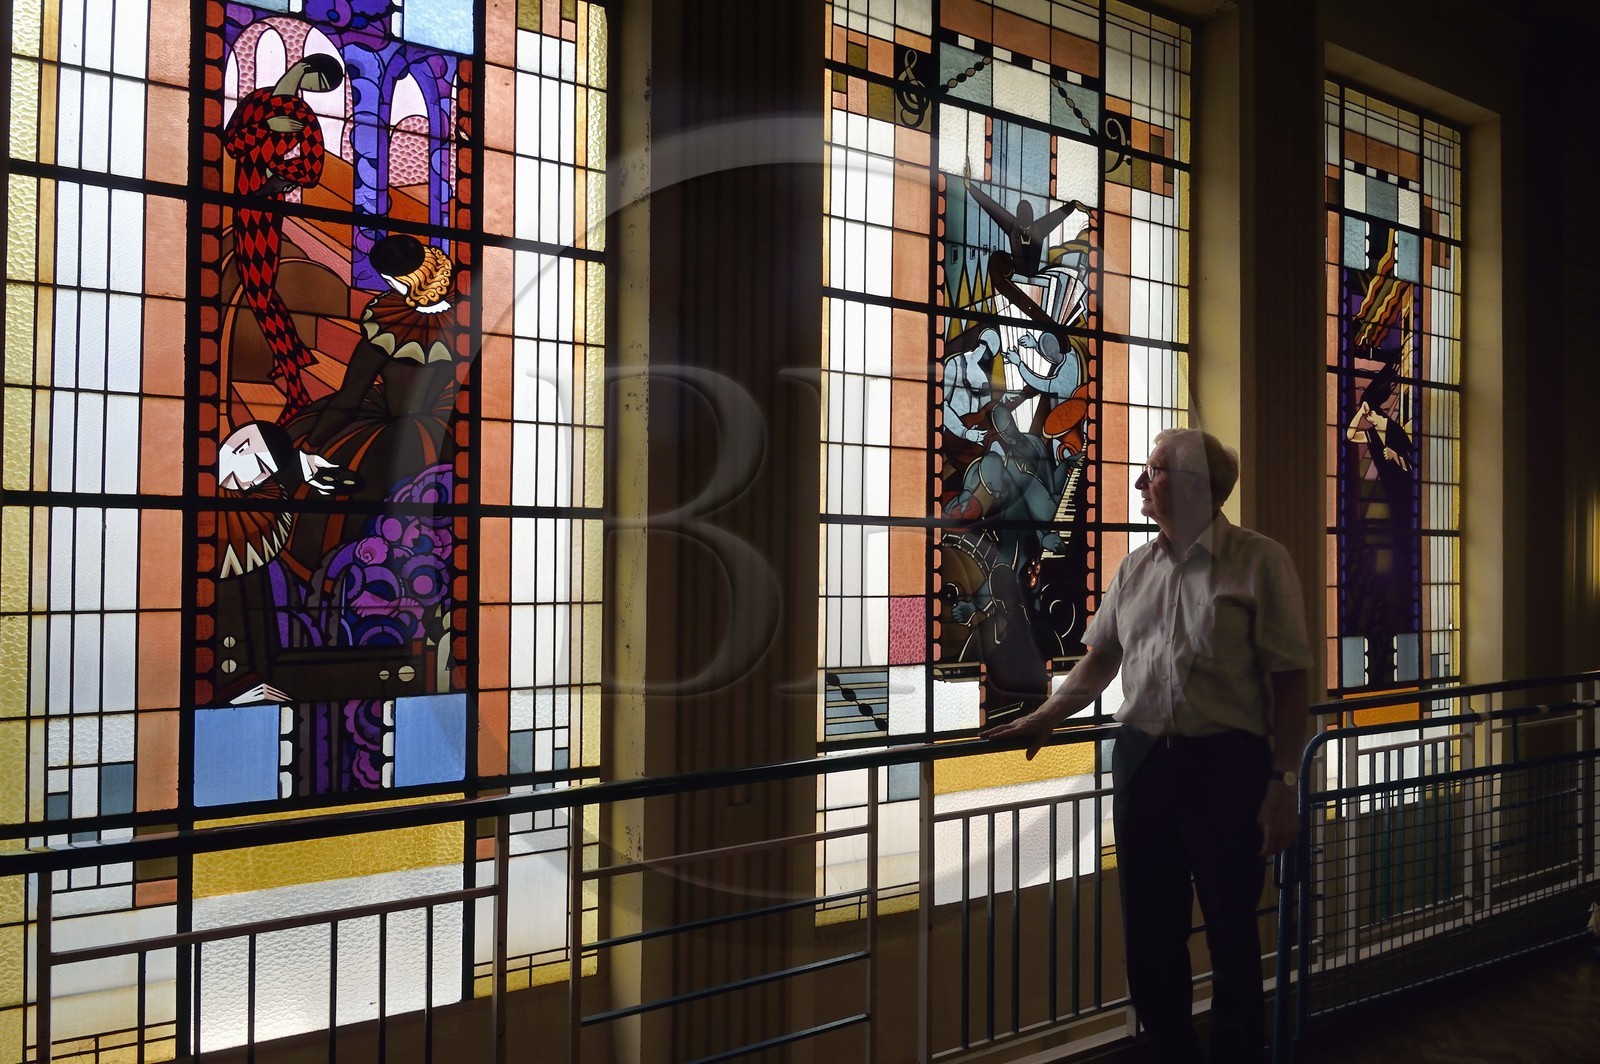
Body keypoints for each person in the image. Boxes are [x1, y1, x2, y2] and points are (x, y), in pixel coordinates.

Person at [984, 427, 1312, 1064]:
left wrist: (1283, 785)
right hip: (1141, 766)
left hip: (1227, 770)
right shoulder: (1134, 567)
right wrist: (1047, 716)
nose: (1139, 483)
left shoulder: (1260, 562)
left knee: (1231, 935)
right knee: (1150, 939)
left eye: (1153, 471)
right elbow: (1099, 662)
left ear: (1195, 486)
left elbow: (1290, 683)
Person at [224, 52, 345, 420]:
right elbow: (231, 143)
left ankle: (295, 388)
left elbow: (311, 171)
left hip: (263, 210)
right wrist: (269, 129)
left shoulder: (305, 118)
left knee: (260, 295)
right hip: (242, 204)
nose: (316, 92)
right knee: (260, 291)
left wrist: (272, 175)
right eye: (320, 83)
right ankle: (294, 354)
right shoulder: (257, 101)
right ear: (305, 70)